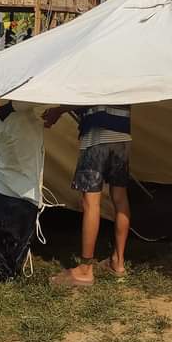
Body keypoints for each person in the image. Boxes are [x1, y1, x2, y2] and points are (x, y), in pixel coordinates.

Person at [41, 104, 132, 287]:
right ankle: (118, 262)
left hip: (96, 138)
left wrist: (58, 110)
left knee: (91, 203)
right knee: (120, 199)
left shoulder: (94, 73)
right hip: (122, 137)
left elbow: (87, 96)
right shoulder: (125, 74)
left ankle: (85, 269)